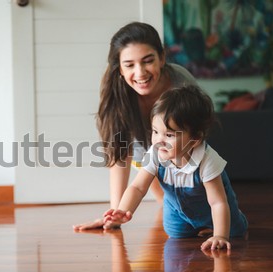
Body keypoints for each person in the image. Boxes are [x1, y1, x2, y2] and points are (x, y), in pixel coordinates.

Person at [76, 85, 248, 250]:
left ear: (195, 139)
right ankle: (191, 225)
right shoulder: (156, 153)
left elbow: (217, 202)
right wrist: (123, 210)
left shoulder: (206, 160)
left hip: (211, 208)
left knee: (234, 231)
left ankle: (225, 223)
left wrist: (220, 236)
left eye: (169, 135)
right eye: (155, 132)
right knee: (176, 234)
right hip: (177, 210)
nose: (159, 140)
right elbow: (137, 187)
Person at [75, 22, 197, 229]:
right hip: (144, 154)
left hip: (182, 150)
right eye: (129, 65)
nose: (140, 73)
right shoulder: (117, 93)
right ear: (120, 69)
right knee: (167, 204)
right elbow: (120, 155)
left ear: (162, 58)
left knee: (188, 208)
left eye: (148, 61)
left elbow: (196, 138)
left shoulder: (181, 83)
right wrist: (114, 215)